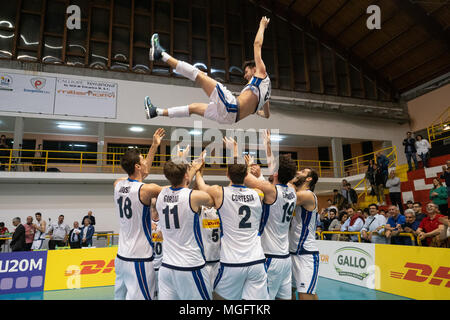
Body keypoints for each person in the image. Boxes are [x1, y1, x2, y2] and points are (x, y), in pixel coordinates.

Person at [144, 17, 271, 124]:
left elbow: (257, 44)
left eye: (247, 71)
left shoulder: (261, 72)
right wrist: (256, 111)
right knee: (193, 108)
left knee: (198, 75)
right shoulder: (266, 93)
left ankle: (160, 55)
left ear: (255, 69)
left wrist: (262, 26)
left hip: (231, 107)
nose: (245, 76)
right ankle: (156, 112)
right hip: (230, 119)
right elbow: (267, 115)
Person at [195, 144, 268, 300]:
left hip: (232, 261)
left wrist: (199, 170)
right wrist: (246, 167)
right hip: (257, 260)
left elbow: (201, 186)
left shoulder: (219, 192)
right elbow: (257, 185)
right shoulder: (258, 194)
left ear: (227, 175)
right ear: (246, 175)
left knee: (218, 297)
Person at [242, 131, 298, 300]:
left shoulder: (271, 190)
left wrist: (248, 163)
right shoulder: (293, 191)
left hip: (270, 257)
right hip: (285, 258)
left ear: (275, 174)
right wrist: (267, 145)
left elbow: (245, 178)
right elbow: (277, 171)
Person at [113, 128, 165, 300]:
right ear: (137, 166)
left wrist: (153, 147)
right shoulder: (146, 190)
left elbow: (143, 174)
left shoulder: (118, 184)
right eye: (142, 160)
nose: (144, 163)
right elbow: (173, 189)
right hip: (139, 259)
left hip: (121, 257)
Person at [156, 153, 215, 300]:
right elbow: (212, 200)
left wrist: (191, 169)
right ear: (186, 176)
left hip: (167, 267)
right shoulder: (193, 196)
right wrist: (198, 171)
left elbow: (178, 184)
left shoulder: (161, 194)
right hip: (190, 266)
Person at [289, 167, 320, 300]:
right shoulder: (297, 193)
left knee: (305, 294)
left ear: (309, 179)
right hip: (291, 251)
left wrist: (288, 179)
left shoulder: (307, 195)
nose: (297, 173)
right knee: (288, 292)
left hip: (306, 253)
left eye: (302, 172)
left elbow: (284, 199)